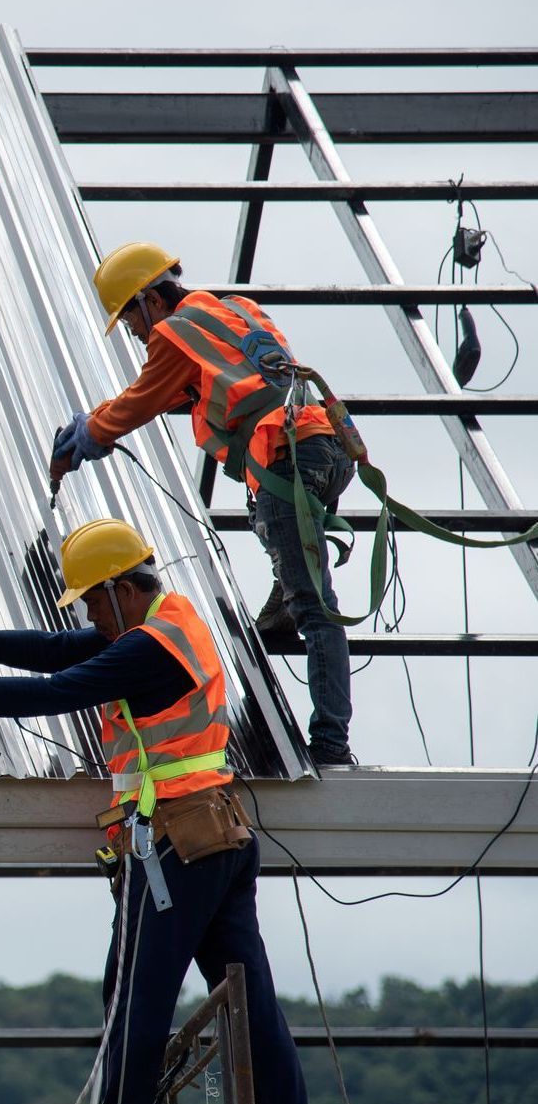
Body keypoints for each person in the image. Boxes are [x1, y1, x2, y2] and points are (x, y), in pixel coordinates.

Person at [0, 518, 308, 1104]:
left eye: (93, 600)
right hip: (217, 834)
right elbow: (59, 649)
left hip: (175, 843)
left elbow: (53, 690)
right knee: (250, 1005)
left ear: (123, 588)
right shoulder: (170, 622)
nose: (89, 616)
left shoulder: (145, 648)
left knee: (133, 1003)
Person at [49, 241, 357, 766]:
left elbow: (144, 398)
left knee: (316, 608)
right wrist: (97, 420)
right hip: (328, 445)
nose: (138, 334)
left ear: (150, 300)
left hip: (286, 459)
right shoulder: (231, 308)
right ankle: (280, 607)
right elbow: (174, 390)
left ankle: (331, 743)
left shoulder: (171, 333)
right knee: (293, 568)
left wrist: (91, 434)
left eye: (132, 321)